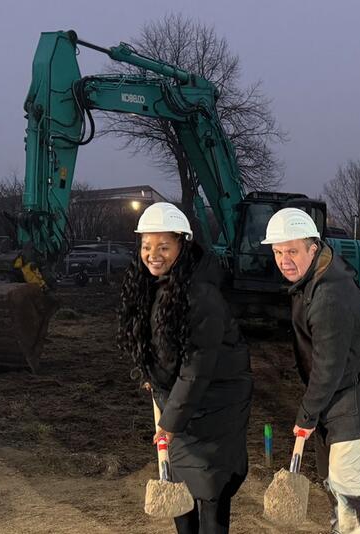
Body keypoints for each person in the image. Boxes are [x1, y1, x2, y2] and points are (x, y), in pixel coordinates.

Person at [117, 202, 252, 534]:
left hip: (214, 409)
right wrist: (152, 378)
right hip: (182, 408)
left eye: (164, 246)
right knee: (180, 492)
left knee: (209, 491)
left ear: (183, 244)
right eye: (147, 246)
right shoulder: (155, 284)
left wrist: (170, 422)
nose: (153, 254)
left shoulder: (200, 293)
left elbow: (196, 367)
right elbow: (160, 347)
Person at [262, 207, 360, 534]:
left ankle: (351, 530)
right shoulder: (314, 277)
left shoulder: (328, 293)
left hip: (354, 389)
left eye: (292, 251)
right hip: (336, 388)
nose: (283, 259)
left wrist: (306, 414)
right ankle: (344, 525)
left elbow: (328, 365)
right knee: (330, 473)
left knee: (344, 476)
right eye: (277, 251)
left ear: (312, 248)